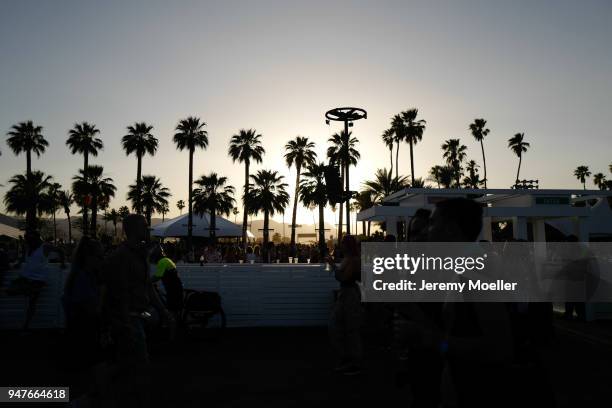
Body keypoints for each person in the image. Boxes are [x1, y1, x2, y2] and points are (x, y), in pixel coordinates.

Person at [100, 214, 171, 405]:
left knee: (125, 364)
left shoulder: (139, 255)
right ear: (133, 230)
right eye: (144, 227)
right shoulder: (122, 256)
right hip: (128, 319)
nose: (147, 230)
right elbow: (120, 291)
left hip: (135, 317)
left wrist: (163, 311)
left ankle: (101, 396)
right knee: (137, 364)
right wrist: (124, 323)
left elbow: (147, 286)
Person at [62, 236, 104, 398]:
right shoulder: (82, 279)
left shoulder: (82, 275)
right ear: (89, 258)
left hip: (80, 332)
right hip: (82, 333)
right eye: (99, 256)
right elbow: (92, 309)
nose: (102, 259)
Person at [7, 230, 65, 331]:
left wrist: (62, 263)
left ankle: (26, 326)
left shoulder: (45, 246)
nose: (29, 241)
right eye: (28, 239)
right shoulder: (29, 246)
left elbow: (60, 250)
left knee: (32, 302)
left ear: (37, 238)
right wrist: (19, 263)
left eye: (31, 239)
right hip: (26, 277)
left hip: (37, 279)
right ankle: (29, 292)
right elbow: (23, 258)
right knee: (10, 291)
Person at [327, 234, 363, 375]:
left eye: (342, 242)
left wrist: (332, 266)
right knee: (343, 328)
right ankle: (349, 359)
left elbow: (344, 278)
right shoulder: (349, 259)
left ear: (347, 245)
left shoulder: (352, 260)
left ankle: (353, 362)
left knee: (349, 329)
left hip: (349, 295)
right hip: (347, 294)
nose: (340, 245)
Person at [150, 245, 184, 317]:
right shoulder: (166, 260)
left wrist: (146, 282)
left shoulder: (163, 261)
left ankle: (173, 326)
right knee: (174, 311)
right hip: (175, 288)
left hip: (173, 290)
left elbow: (157, 276)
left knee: (172, 312)